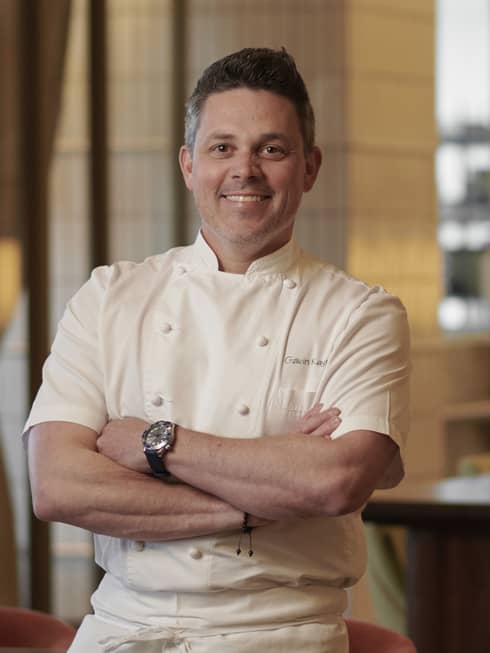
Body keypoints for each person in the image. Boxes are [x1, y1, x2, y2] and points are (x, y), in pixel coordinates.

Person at [24, 47, 410, 653]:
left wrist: (155, 443)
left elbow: (336, 482)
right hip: (119, 630)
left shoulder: (361, 314)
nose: (244, 170)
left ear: (310, 167)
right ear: (188, 164)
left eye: (271, 149)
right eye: (222, 147)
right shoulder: (108, 298)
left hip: (280, 634)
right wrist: (265, 497)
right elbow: (58, 485)